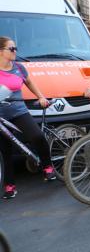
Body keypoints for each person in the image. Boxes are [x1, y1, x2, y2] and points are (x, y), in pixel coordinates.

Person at [0, 36, 56, 198]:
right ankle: (9, 186)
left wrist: (41, 97)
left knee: (37, 136)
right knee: (5, 151)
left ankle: (47, 167)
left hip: (18, 111)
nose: (15, 51)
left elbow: (29, 83)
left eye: (15, 48)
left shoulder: (19, 68)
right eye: (12, 49)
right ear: (1, 51)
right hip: (1, 116)